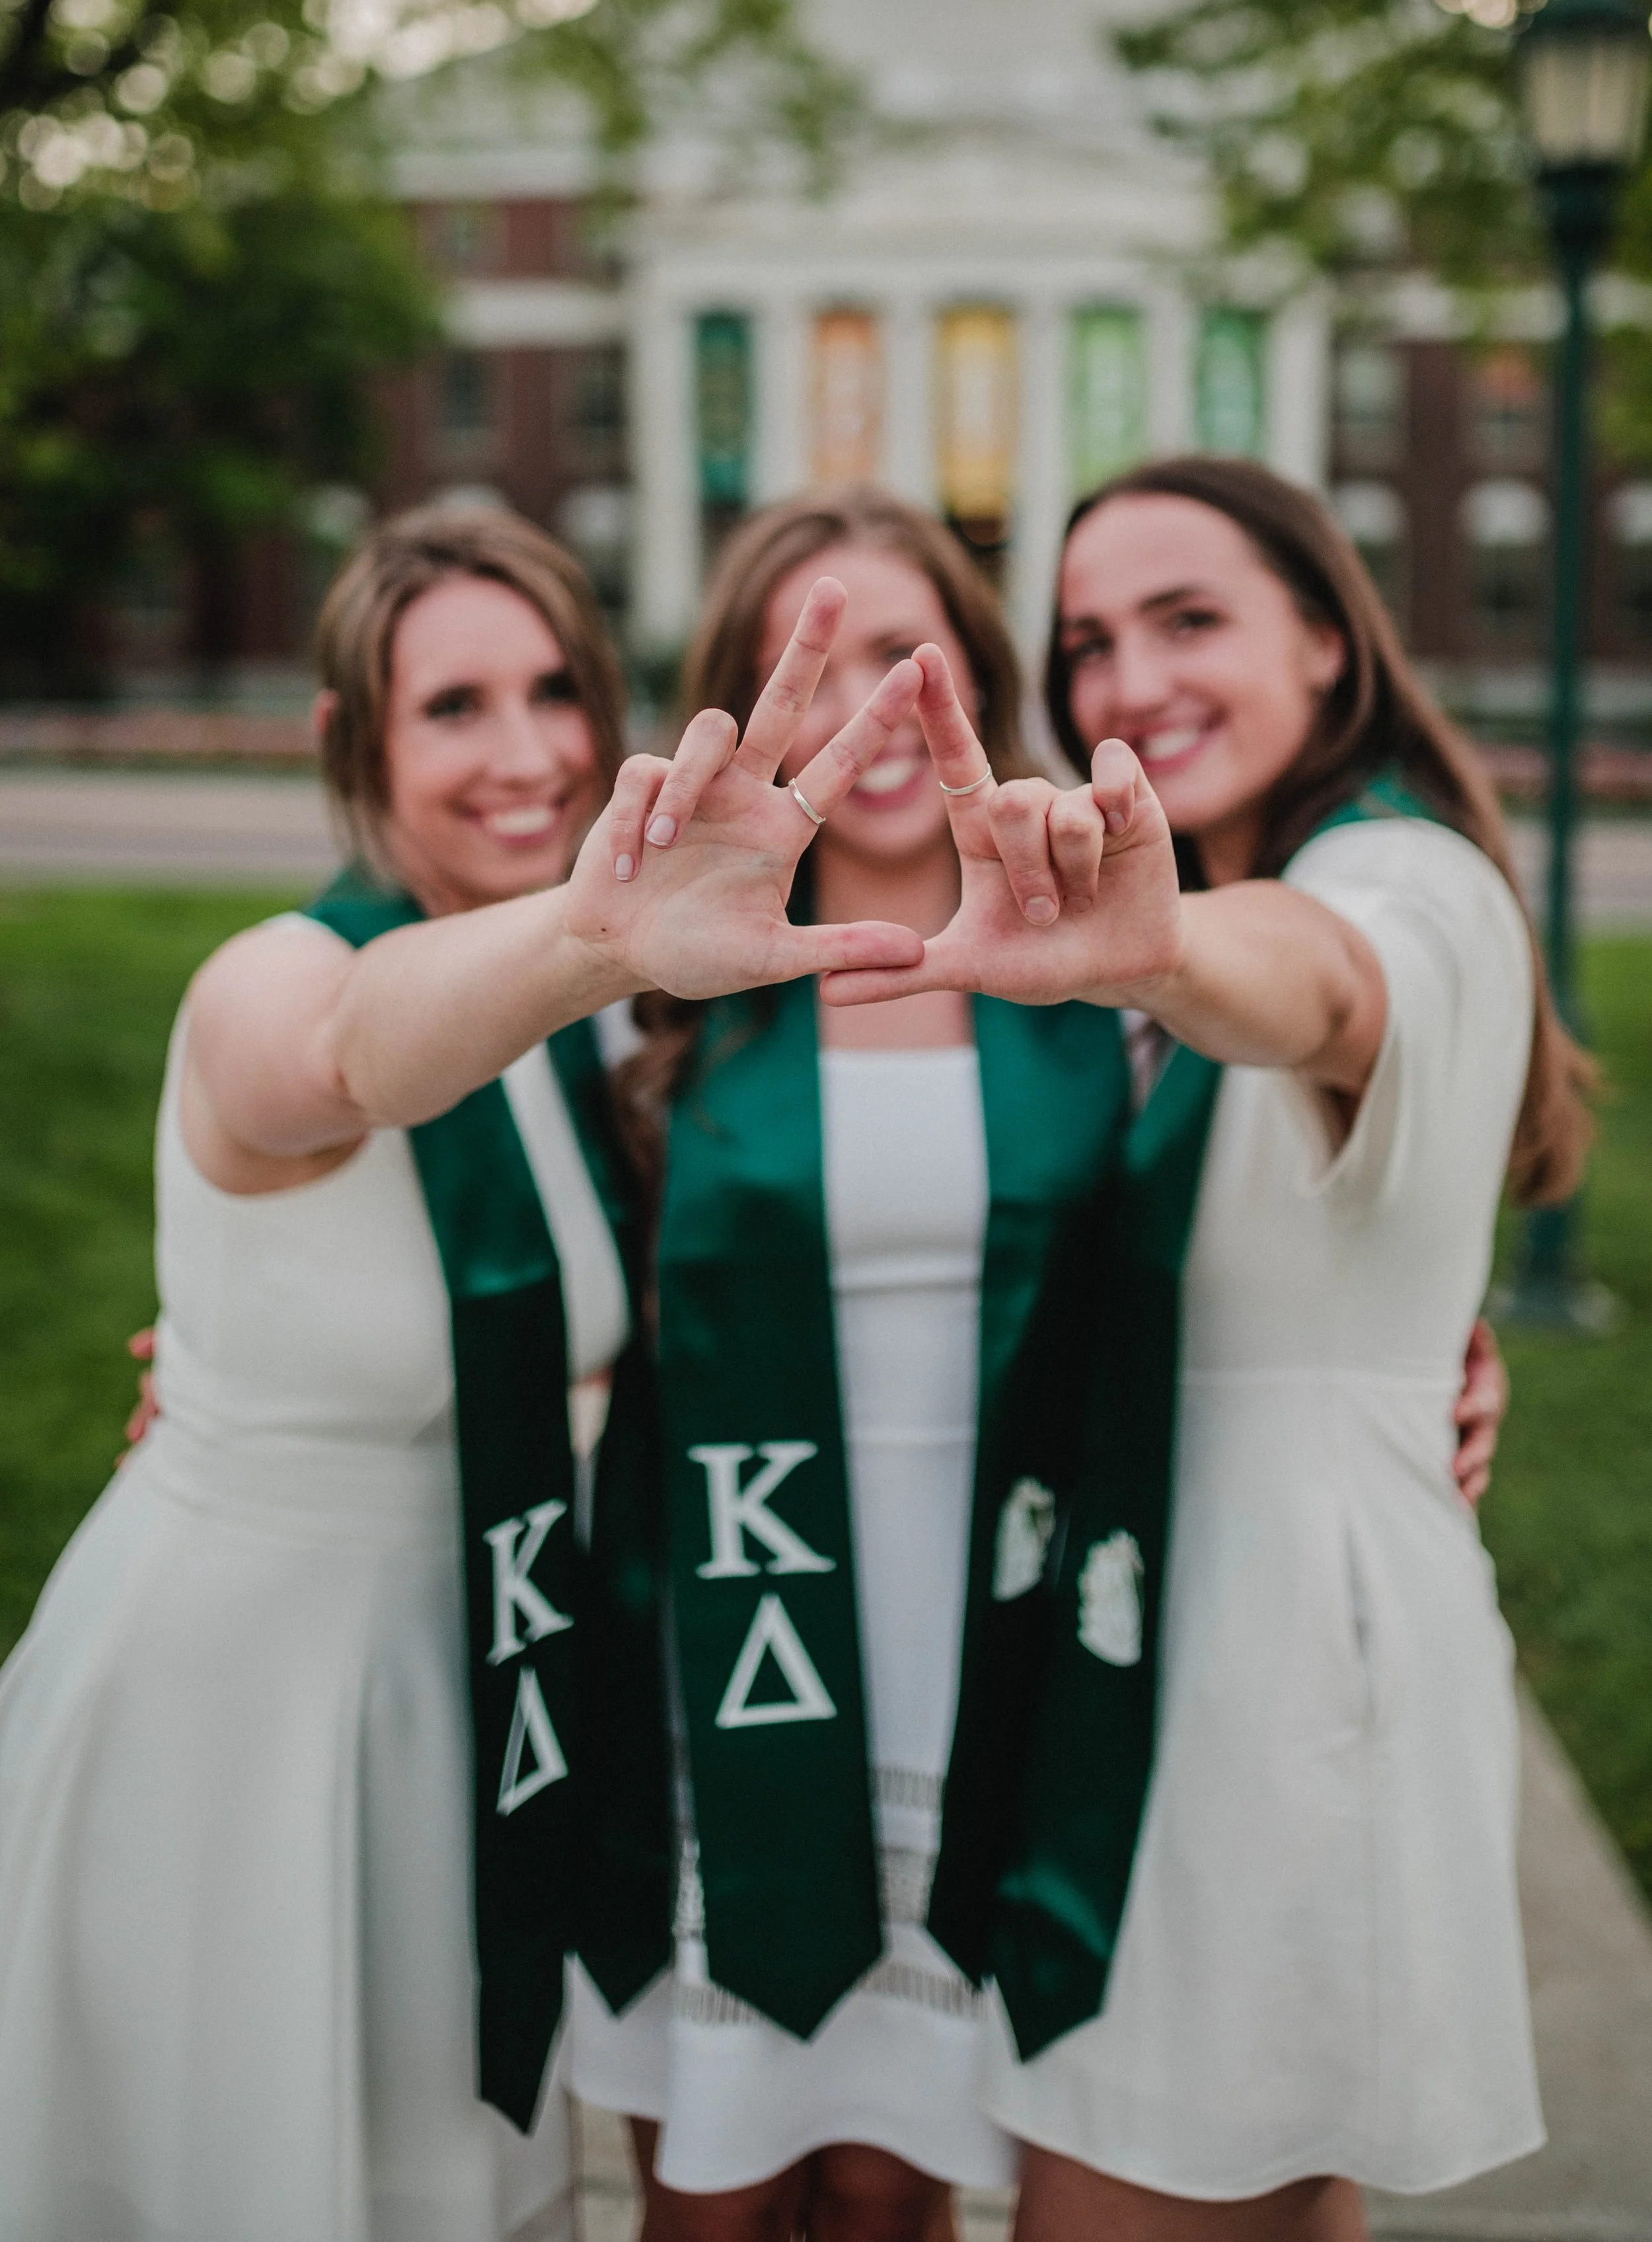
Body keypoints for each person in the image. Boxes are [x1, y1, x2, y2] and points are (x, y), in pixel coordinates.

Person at [0, 502, 926, 2242]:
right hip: (240, 1720)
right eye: (452, 707)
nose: (524, 753)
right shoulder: (274, 976)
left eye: (552, 690)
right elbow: (350, 1058)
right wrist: (596, 938)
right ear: (350, 742)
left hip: (467, 1709)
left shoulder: (583, 1039)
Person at [821, 457, 1591, 2242]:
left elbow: (1319, 981)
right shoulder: (1234, 889)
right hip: (1192, 1643)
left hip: (1261, 1691)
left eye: (1190, 619)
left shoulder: (1389, 880)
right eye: (1087, 639)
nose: (1124, 679)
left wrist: (1161, 948)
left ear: (1325, 640)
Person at [567, 484, 1136, 2242]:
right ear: (750, 714)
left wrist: (1452, 1354)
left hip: (976, 1666)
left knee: (893, 2193)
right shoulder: (650, 997)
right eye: (820, 668)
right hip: (722, 1649)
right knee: (716, 2194)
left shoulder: (1101, 979)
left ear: (977, 669)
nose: (879, 705)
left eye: (912, 651)